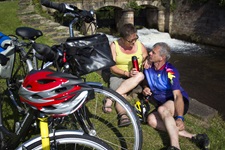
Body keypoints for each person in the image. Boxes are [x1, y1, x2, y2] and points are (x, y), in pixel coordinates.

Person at [142, 42, 210, 150]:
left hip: (177, 100)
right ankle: (194, 137)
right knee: (151, 120)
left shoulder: (170, 72)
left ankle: (175, 146)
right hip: (163, 102)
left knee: (162, 109)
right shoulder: (148, 64)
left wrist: (179, 117)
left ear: (161, 58)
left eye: (153, 52)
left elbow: (177, 96)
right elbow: (145, 78)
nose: (150, 53)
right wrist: (145, 87)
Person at [102, 23, 148, 127]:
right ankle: (123, 116)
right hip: (118, 76)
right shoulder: (114, 46)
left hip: (135, 77)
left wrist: (147, 61)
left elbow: (146, 56)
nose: (133, 42)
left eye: (135, 38)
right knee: (122, 94)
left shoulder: (139, 44)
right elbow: (112, 67)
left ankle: (109, 98)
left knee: (140, 76)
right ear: (122, 39)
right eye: (130, 41)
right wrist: (126, 73)